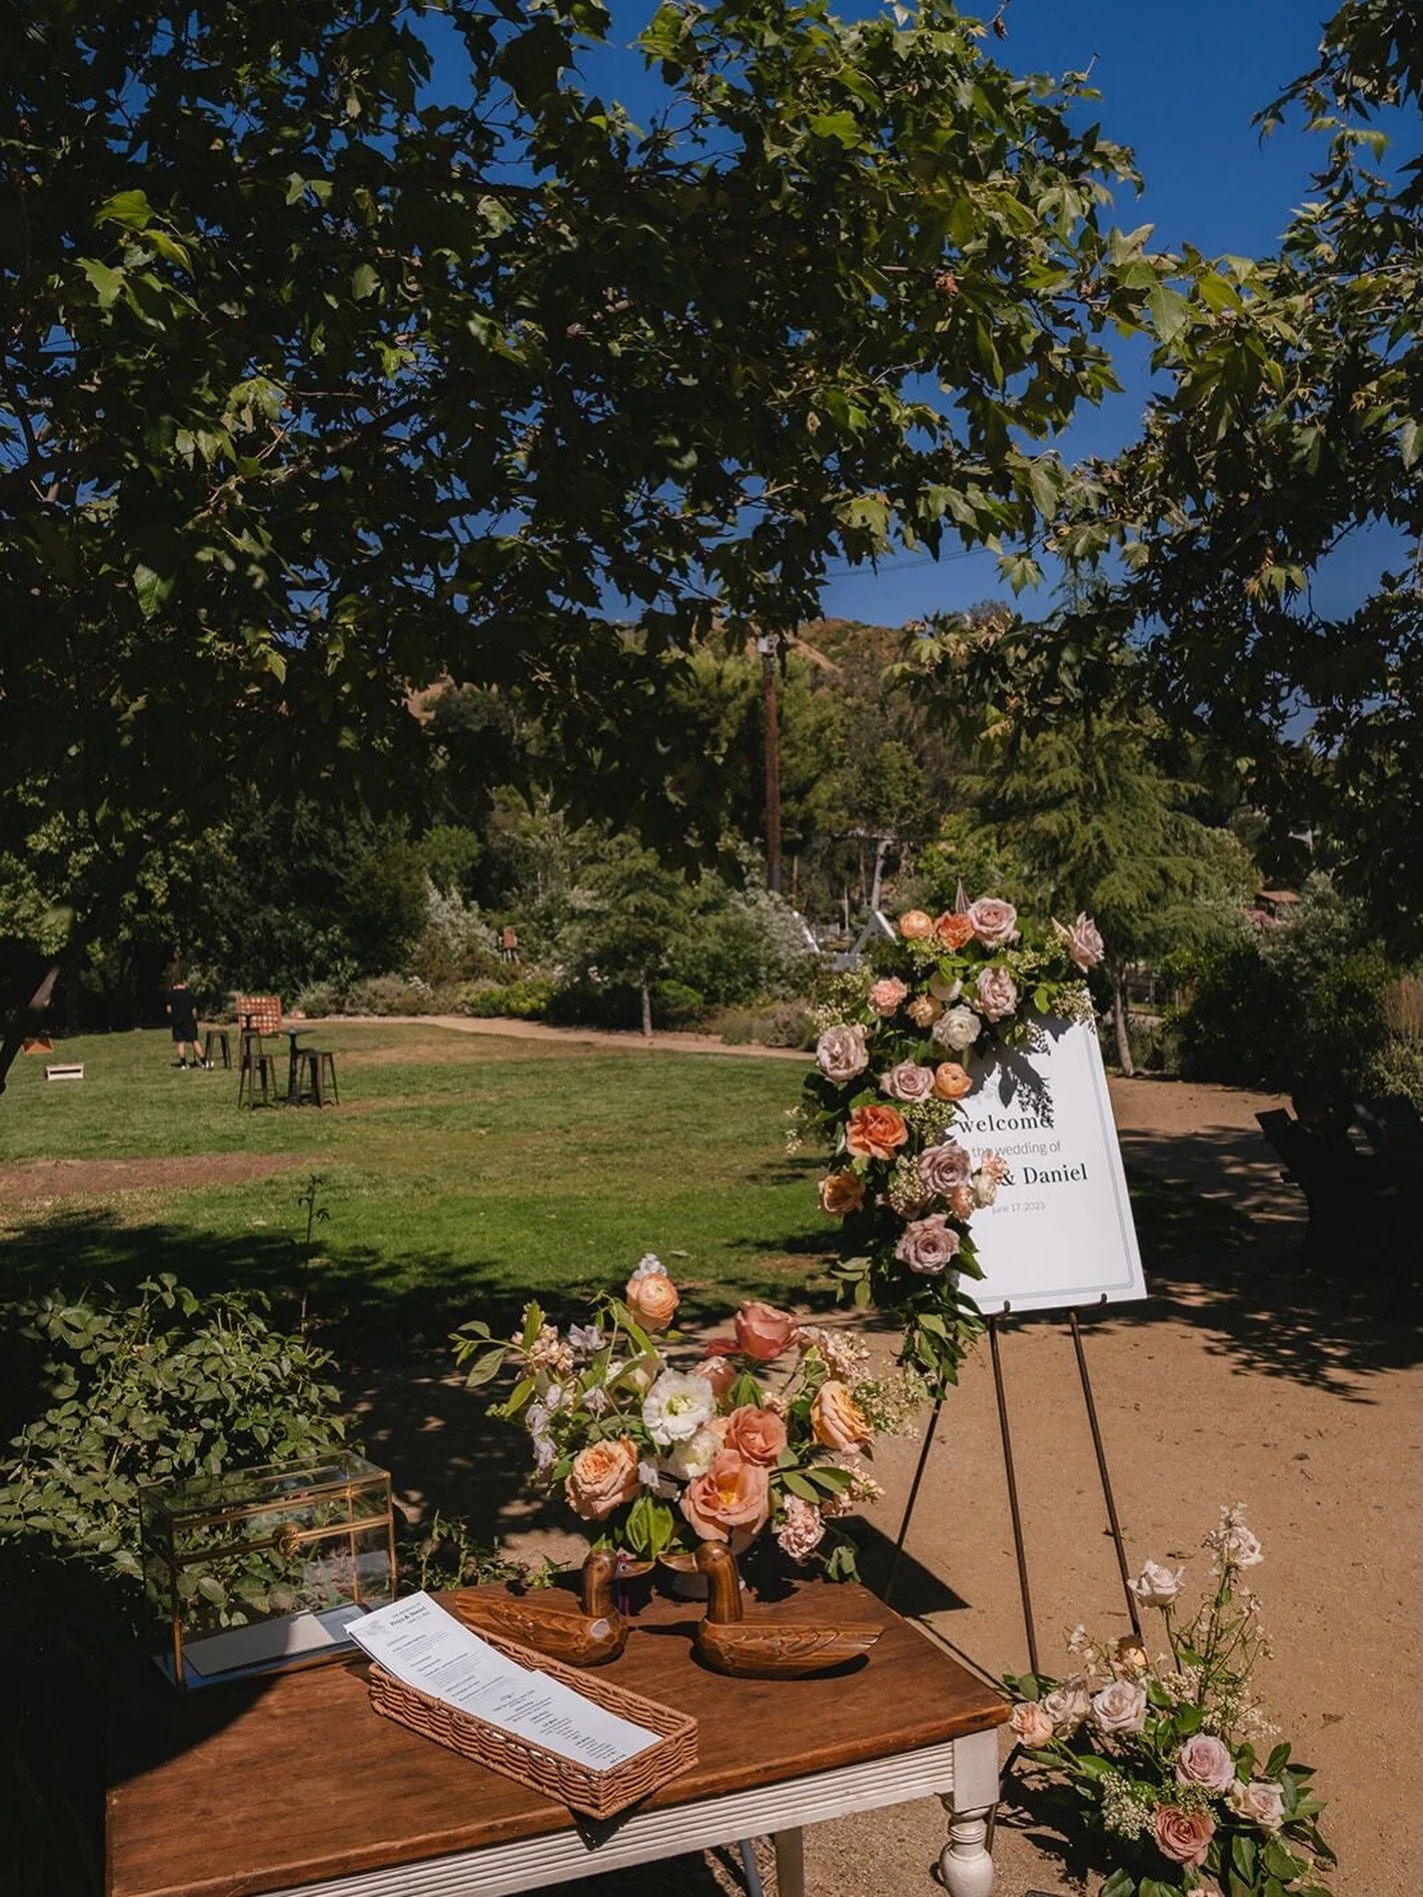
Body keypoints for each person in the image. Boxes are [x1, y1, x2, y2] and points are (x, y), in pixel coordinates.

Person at [165, 970, 205, 1069]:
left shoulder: (171, 994)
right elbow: (194, 1009)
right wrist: (195, 1019)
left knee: (180, 1041)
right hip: (188, 1020)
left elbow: (169, 1009)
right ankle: (204, 1061)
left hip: (176, 1020)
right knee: (194, 1040)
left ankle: (183, 1063)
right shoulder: (189, 993)